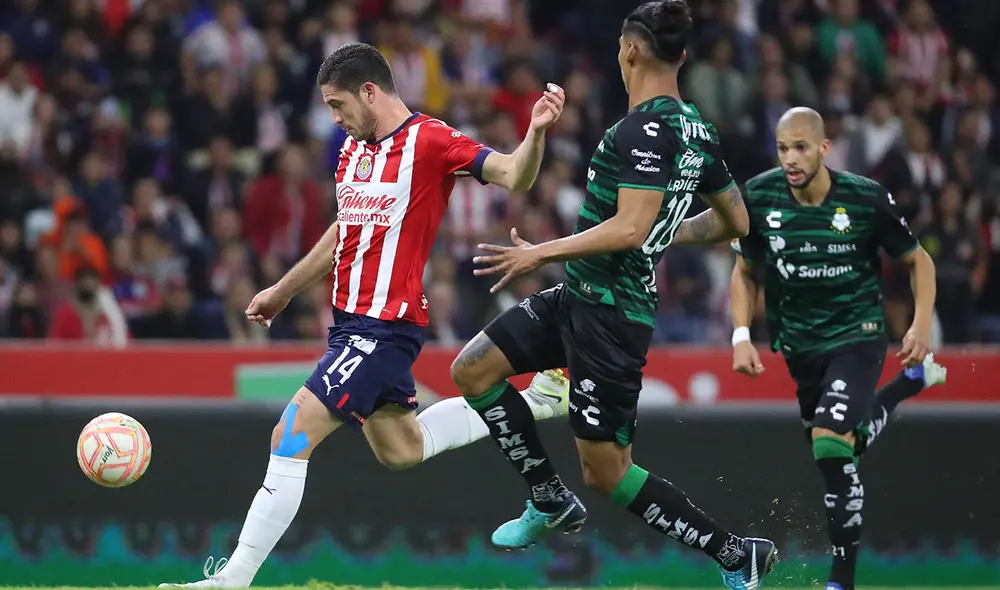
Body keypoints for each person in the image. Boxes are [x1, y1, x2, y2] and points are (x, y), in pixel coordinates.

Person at [160, 42, 572, 588]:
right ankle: (538, 401)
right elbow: (344, 231)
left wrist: (535, 133)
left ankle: (232, 580)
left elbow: (515, 175)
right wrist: (283, 290)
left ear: (370, 91)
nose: (334, 118)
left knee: (291, 435)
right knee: (402, 449)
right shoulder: (352, 151)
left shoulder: (430, 140)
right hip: (350, 326)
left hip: (385, 327)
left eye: (338, 104)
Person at [450, 3, 777, 589]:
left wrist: (540, 253)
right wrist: (665, 231)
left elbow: (629, 228)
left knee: (606, 473)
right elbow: (735, 221)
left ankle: (734, 553)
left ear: (629, 50)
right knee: (472, 370)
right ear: (682, 57)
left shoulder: (639, 130)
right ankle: (548, 499)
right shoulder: (696, 129)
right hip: (579, 296)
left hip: (613, 317)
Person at [726, 107, 947, 590]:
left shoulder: (864, 198)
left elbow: (919, 261)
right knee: (840, 450)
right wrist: (741, 335)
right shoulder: (758, 196)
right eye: (783, 148)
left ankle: (841, 581)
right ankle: (907, 385)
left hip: (857, 336)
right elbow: (745, 271)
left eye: (801, 147)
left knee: (830, 441)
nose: (790, 158)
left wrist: (919, 325)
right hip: (799, 346)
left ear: (824, 149)